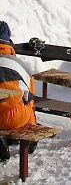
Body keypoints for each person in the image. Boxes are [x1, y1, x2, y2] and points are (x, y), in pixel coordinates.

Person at [0, 21, 38, 161]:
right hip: (15, 118)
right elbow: (30, 98)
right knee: (26, 101)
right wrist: (32, 129)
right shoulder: (20, 65)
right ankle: (21, 140)